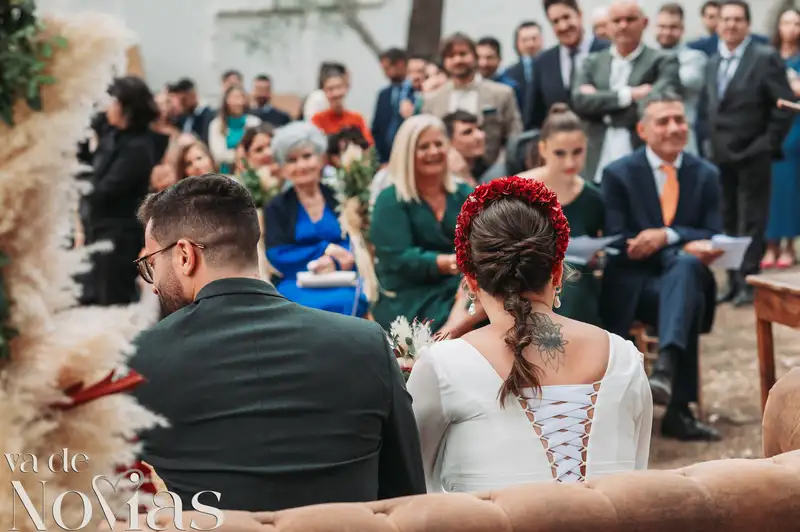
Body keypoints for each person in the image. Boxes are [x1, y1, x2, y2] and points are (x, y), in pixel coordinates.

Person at [129, 175, 425, 511]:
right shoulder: (367, 344)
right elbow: (408, 501)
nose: (153, 284)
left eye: (152, 264)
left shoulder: (140, 360)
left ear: (184, 255)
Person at [408, 176, 652, 491]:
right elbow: (637, 474)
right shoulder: (625, 359)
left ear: (471, 283)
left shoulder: (442, 365)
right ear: (557, 272)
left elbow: (411, 484)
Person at [601, 92, 722, 441]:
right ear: (642, 130)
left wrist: (667, 236)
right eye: (663, 121)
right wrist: (662, 245)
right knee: (686, 282)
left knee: (685, 273)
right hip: (636, 287)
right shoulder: (618, 174)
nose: (673, 128)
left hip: (682, 282)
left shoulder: (706, 174)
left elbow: (713, 232)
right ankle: (678, 410)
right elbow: (616, 240)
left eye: (679, 120)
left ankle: (666, 371)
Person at [703, 0, 794, 306]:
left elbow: (783, 107)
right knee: (727, 221)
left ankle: (748, 281)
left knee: (751, 222)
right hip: (720, 156)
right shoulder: (713, 61)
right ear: (718, 24)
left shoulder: (764, 58)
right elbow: (709, 108)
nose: (730, 25)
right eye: (726, 19)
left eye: (737, 19)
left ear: (747, 25)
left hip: (754, 154)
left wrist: (767, 144)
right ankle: (732, 281)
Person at [370, 115, 481, 337]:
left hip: (460, 283)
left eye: (439, 144)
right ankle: (447, 336)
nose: (433, 152)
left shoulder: (463, 193)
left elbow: (482, 239)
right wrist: (449, 263)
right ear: (407, 154)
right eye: (423, 147)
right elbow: (398, 257)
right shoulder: (390, 200)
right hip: (410, 292)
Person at [265, 122, 369, 317]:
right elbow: (276, 253)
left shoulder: (339, 196)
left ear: (321, 159)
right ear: (283, 167)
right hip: (297, 280)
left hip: (342, 276)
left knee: (350, 300)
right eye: (292, 160)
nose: (301, 165)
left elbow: (357, 240)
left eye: (307, 156)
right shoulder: (276, 206)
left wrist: (336, 261)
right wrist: (323, 250)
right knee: (298, 308)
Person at [571, 0, 681, 183]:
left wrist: (600, 105)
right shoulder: (592, 62)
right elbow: (580, 101)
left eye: (630, 19)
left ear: (644, 23)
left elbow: (656, 106)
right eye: (617, 20)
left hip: (643, 156)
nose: (623, 25)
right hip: (595, 160)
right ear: (607, 26)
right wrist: (629, 95)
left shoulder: (662, 61)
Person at [518, 104, 604, 326]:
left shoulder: (593, 197)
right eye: (560, 153)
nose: (570, 162)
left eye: (577, 152)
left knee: (576, 284)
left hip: (576, 282)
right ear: (543, 149)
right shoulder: (519, 190)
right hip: (523, 277)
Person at [79, 76, 160, 306]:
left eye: (113, 102)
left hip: (118, 237)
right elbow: (89, 164)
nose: (108, 107)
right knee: (92, 299)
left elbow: (105, 190)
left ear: (127, 108)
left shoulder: (138, 147)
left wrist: (81, 186)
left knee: (112, 301)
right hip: (97, 230)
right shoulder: (113, 134)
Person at [528, 0, 610, 130]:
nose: (563, 26)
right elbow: (534, 119)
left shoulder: (608, 52)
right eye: (555, 21)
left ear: (579, 14)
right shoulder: (542, 63)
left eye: (566, 17)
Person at [763, 8, 800, 269]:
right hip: (771, 125)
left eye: (797, 23)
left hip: (795, 126)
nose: (791, 28)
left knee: (790, 185)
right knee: (769, 186)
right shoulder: (768, 56)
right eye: (786, 23)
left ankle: (788, 244)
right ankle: (770, 244)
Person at [654, 3, 708, 155]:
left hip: (682, 134)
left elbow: (676, 84)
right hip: (652, 134)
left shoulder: (695, 58)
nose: (667, 32)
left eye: (673, 27)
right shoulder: (648, 57)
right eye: (662, 27)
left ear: (682, 29)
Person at [207, 85, 261, 174]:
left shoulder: (254, 122)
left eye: (241, 97)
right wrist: (241, 156)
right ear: (226, 101)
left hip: (252, 171)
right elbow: (218, 155)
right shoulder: (216, 124)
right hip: (227, 174)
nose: (238, 102)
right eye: (234, 98)